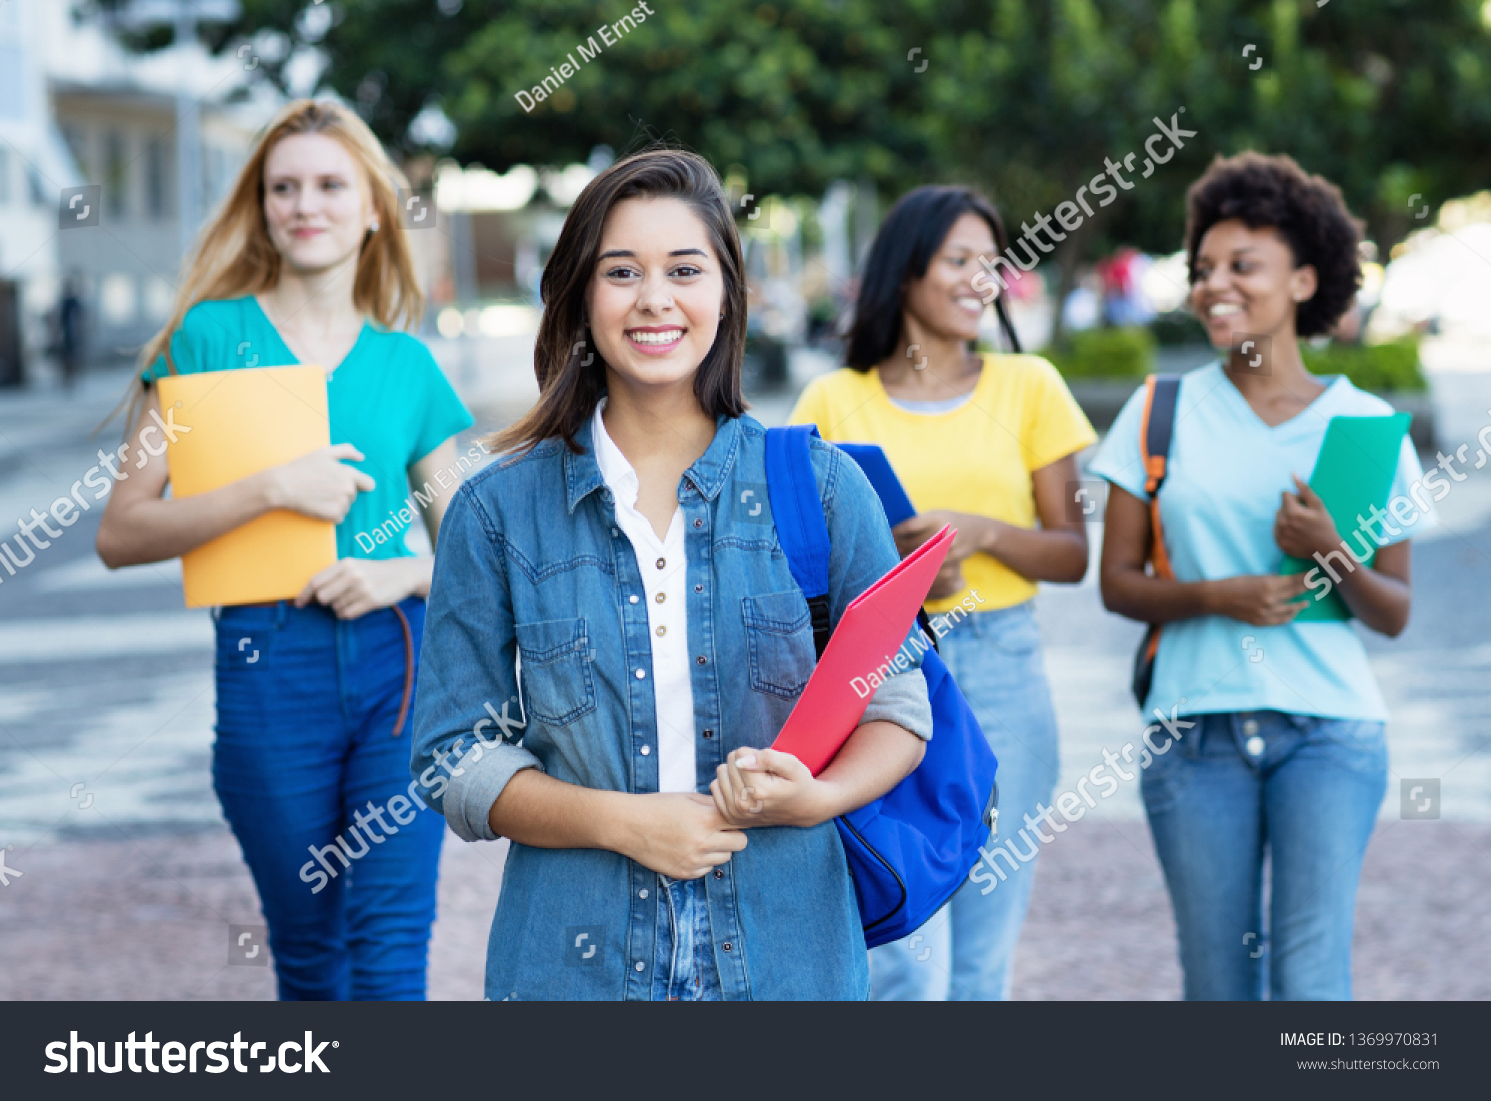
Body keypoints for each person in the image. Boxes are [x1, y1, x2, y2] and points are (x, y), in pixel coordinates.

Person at [410, 148, 932, 1001]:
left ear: (726, 292)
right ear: (581, 294)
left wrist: (815, 797)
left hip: (786, 957)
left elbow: (898, 706)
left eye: (684, 269)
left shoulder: (823, 488)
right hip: (574, 966)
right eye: (622, 271)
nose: (655, 297)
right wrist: (626, 824)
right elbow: (450, 758)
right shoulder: (496, 511)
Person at [95, 100, 474, 1000]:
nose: (307, 204)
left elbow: (470, 553)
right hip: (270, 672)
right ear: (261, 206)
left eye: (331, 184)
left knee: (389, 956)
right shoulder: (204, 339)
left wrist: (399, 571)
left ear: (375, 208)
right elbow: (121, 532)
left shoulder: (407, 365)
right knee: (310, 959)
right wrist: (269, 487)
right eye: (284, 187)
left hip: (401, 672)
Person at [1089, 152, 1432, 1000]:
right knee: (1216, 985)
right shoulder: (1158, 410)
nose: (1215, 285)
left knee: (1311, 979)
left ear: (1305, 279)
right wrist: (1218, 596)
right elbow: (1117, 583)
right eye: (1204, 269)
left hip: (1331, 734)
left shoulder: (1364, 425)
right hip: (1192, 735)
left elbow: (1393, 612)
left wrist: (1332, 551)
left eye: (1244, 265)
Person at [789, 186, 1097, 1001]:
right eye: (958, 259)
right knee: (902, 948)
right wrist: (886, 564)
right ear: (905, 271)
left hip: (1002, 664)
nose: (980, 279)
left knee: (982, 957)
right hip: (878, 675)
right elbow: (800, 561)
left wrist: (980, 535)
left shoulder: (1030, 386)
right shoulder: (832, 400)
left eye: (991, 263)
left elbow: (1072, 553)